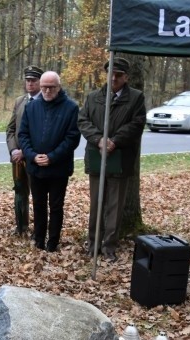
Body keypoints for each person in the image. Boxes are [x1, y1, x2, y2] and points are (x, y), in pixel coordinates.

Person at [78, 57, 147, 262]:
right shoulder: (93, 97)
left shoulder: (136, 98)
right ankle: (93, 244)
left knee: (115, 206)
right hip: (97, 157)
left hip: (120, 158)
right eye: (111, 74)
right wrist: (99, 140)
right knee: (96, 204)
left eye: (118, 75)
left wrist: (115, 141)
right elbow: (83, 121)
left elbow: (137, 124)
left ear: (126, 77)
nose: (114, 78)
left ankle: (109, 246)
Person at [18, 71, 80, 252]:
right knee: (38, 204)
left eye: (51, 87)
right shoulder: (32, 107)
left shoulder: (71, 108)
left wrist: (52, 157)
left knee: (56, 206)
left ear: (58, 87)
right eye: (44, 87)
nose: (47, 90)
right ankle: (38, 239)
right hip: (35, 166)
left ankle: (53, 242)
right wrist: (31, 155)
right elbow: (23, 134)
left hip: (58, 168)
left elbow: (72, 138)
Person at [5, 65, 43, 237]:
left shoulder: (45, 101)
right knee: (20, 192)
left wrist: (26, 152)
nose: (30, 84)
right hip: (18, 158)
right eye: (28, 80)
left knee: (38, 194)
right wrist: (13, 150)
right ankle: (21, 226)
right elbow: (11, 129)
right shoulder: (20, 101)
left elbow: (44, 134)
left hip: (35, 157)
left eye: (33, 80)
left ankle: (39, 229)